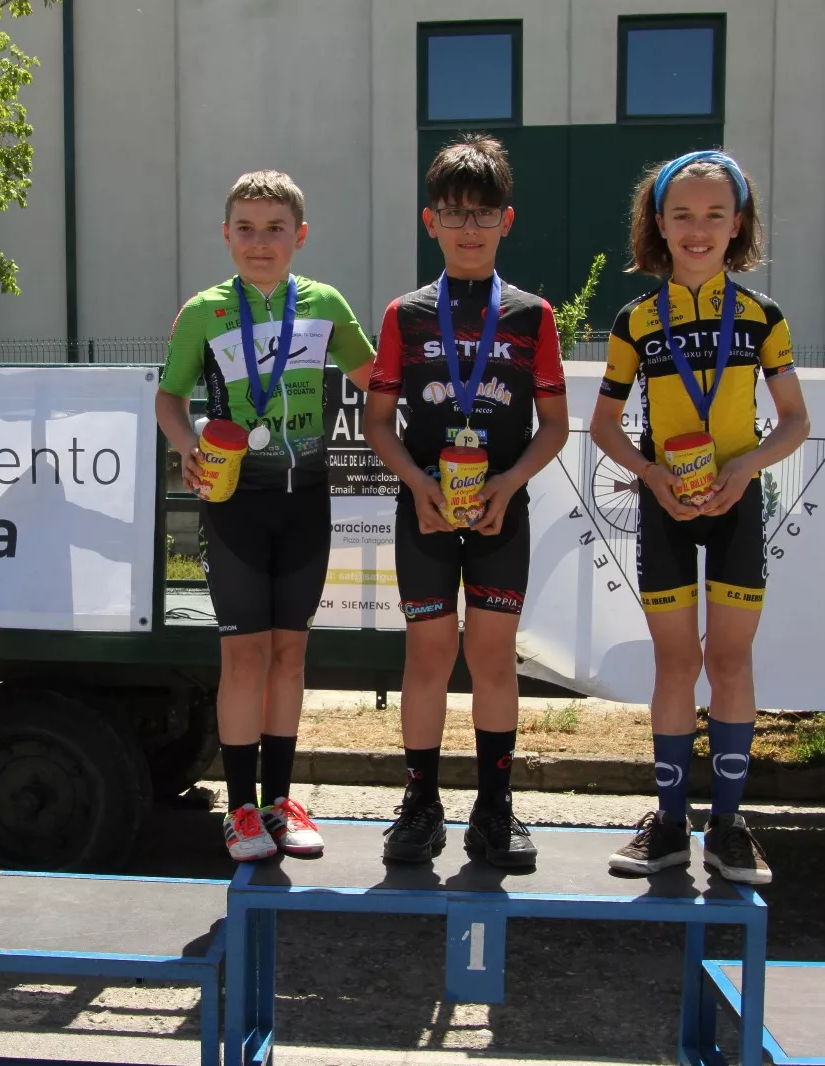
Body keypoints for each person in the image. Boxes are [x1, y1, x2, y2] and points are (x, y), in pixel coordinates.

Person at [593, 150, 809, 885]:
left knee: (731, 662)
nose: (698, 229)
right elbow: (604, 427)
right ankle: (670, 821)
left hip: (736, 505)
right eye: (682, 214)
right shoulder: (637, 320)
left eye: (715, 214)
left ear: (738, 223)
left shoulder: (760, 316)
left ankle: (729, 824)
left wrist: (747, 466)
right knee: (677, 663)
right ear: (658, 224)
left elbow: (794, 422)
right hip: (666, 508)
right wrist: (650, 474)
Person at [156, 171, 375, 862]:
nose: (260, 242)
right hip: (234, 502)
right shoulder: (203, 312)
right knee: (241, 656)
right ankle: (242, 809)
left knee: (290, 654)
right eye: (245, 228)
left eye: (274, 228)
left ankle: (281, 802)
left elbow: (378, 379)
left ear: (299, 236)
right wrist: (187, 446)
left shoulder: (325, 303)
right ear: (226, 235)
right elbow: (169, 399)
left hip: (308, 497)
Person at [363, 135, 569, 868]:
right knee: (427, 656)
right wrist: (416, 485)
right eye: (455, 213)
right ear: (431, 222)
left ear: (506, 221)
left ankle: (496, 806)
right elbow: (378, 423)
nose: (470, 227)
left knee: (492, 659)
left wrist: (509, 486)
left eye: (484, 213)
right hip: (422, 510)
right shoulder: (405, 315)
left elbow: (556, 429)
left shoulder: (532, 316)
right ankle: (420, 804)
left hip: (499, 513)